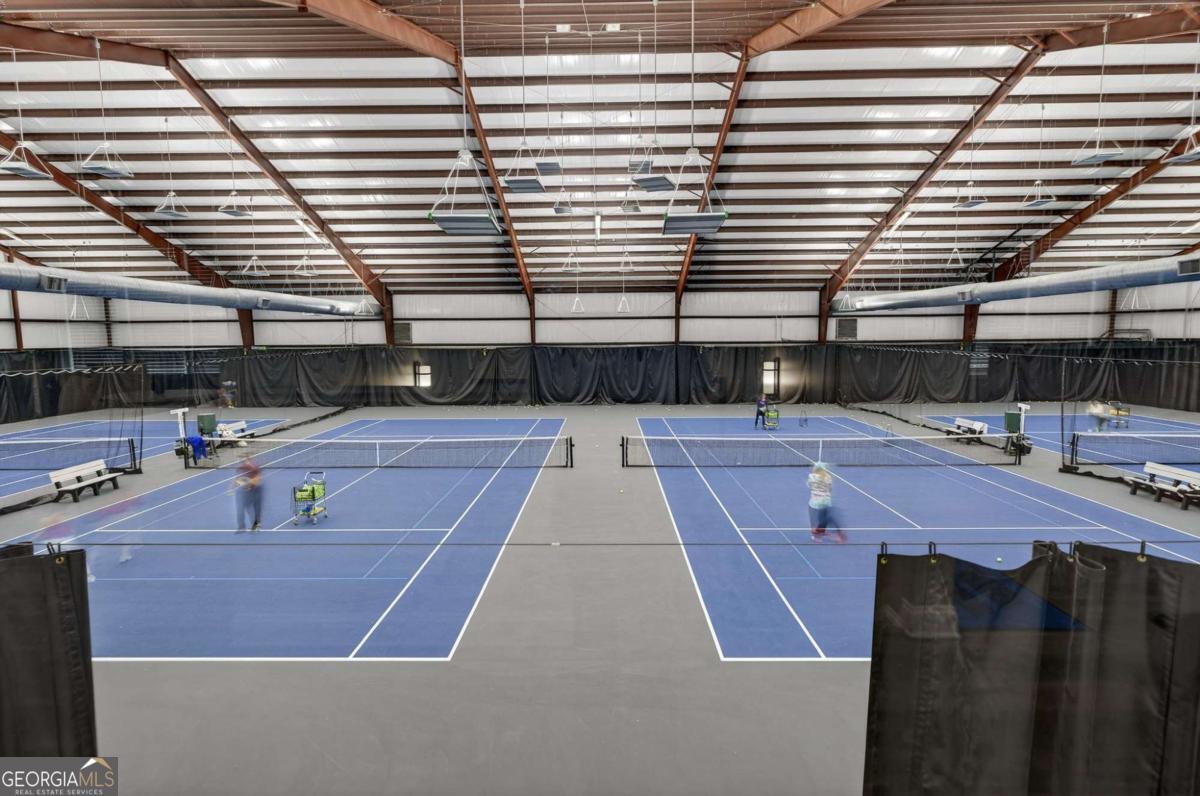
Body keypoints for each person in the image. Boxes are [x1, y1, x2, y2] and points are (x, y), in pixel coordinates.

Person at [807, 462, 845, 543]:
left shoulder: (811, 476)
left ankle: (817, 534)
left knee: (821, 519)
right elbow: (830, 488)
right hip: (826, 501)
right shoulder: (828, 477)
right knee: (825, 518)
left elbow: (809, 485)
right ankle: (836, 532)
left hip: (815, 502)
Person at [235, 455, 264, 533]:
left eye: (243, 460)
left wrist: (249, 482)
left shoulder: (255, 468)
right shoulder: (240, 468)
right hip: (246, 491)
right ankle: (241, 527)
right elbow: (238, 479)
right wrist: (235, 486)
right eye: (241, 460)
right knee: (242, 508)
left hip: (256, 490)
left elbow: (258, 479)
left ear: (248, 460)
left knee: (255, 509)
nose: (241, 461)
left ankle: (256, 525)